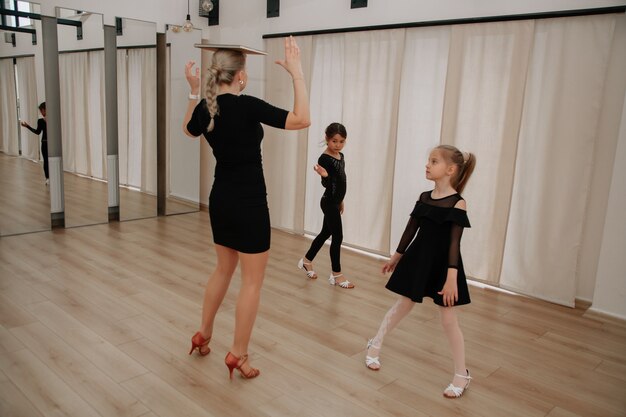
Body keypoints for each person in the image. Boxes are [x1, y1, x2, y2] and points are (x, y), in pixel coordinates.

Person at [183, 36, 310, 380]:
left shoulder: (205, 108)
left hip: (220, 198)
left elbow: (189, 131)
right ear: (239, 76)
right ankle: (238, 354)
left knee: (223, 269)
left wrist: (194, 90)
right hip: (250, 202)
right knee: (251, 282)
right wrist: (297, 72)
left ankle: (203, 335)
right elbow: (302, 119)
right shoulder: (248, 105)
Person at [365, 144, 476, 399]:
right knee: (402, 306)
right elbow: (410, 229)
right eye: (428, 160)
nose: (427, 164)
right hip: (418, 259)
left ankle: (462, 374)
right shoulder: (424, 197)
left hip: (443, 267)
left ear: (450, 169)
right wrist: (396, 257)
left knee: (449, 320)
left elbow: (453, 244)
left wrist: (451, 279)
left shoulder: (458, 204)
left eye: (433, 161)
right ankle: (375, 343)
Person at [297, 122, 354, 289]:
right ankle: (336, 274)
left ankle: (306, 261)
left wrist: (340, 201)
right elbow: (328, 184)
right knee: (338, 237)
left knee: (324, 233)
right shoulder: (324, 158)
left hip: (335, 202)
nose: (338, 145)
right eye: (334, 141)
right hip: (328, 202)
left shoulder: (341, 156)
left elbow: (340, 181)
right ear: (327, 139)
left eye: (341, 141)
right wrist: (325, 176)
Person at [20, 102, 48, 185]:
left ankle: (50, 178)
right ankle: (48, 178)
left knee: (48, 161)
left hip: (48, 144)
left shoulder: (48, 120)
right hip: (46, 143)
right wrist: (27, 126)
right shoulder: (41, 121)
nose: (41, 113)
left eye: (41, 111)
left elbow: (37, 132)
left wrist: (27, 126)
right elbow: (38, 132)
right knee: (47, 161)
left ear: (44, 110)